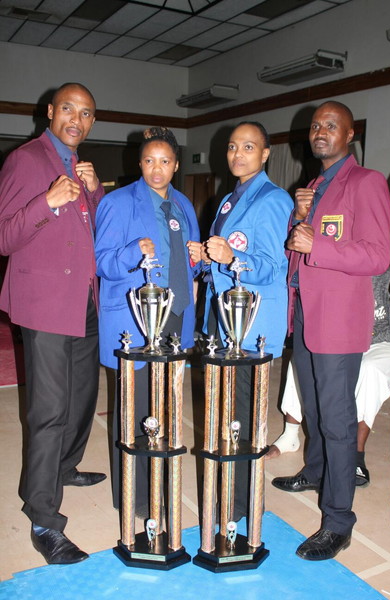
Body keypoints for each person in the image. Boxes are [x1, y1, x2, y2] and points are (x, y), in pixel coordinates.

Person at [272, 101, 390, 561]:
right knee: (313, 407)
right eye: (315, 125)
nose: (320, 131)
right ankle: (315, 470)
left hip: (339, 321)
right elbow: (298, 251)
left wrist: (315, 242)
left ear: (349, 134)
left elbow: (377, 256)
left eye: (331, 125)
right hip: (306, 313)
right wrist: (296, 220)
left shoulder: (366, 182)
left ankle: (339, 521)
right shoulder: (314, 187)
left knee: (338, 422)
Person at [0, 83, 105, 564]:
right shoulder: (25, 160)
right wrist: (47, 202)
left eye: (85, 114)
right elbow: (4, 236)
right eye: (68, 109)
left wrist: (95, 193)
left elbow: (95, 233)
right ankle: (44, 518)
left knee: (82, 398)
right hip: (45, 304)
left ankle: (63, 467)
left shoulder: (81, 168)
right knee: (49, 410)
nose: (75, 120)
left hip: (84, 300)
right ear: (50, 111)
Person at [188, 121, 293, 520]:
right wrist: (206, 257)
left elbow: (272, 266)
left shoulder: (273, 199)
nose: (238, 154)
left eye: (248, 147)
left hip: (251, 325)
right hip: (224, 319)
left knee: (243, 416)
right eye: (233, 147)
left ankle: (244, 502)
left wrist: (232, 257)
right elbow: (223, 262)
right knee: (226, 409)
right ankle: (232, 492)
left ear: (265, 154)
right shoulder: (230, 199)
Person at [95, 126, 200, 513]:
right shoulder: (117, 202)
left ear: (176, 165)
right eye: (149, 161)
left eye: (165, 161)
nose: (157, 169)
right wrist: (131, 252)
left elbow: (187, 259)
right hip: (136, 318)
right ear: (139, 164)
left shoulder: (183, 205)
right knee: (135, 408)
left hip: (176, 315)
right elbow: (100, 262)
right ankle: (134, 498)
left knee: (167, 405)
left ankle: (161, 484)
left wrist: (199, 259)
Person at [267, 269, 390, 488]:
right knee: (302, 360)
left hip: (382, 340)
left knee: (370, 370)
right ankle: (290, 436)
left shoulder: (382, 263)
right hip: (344, 337)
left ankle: (356, 456)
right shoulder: (336, 261)